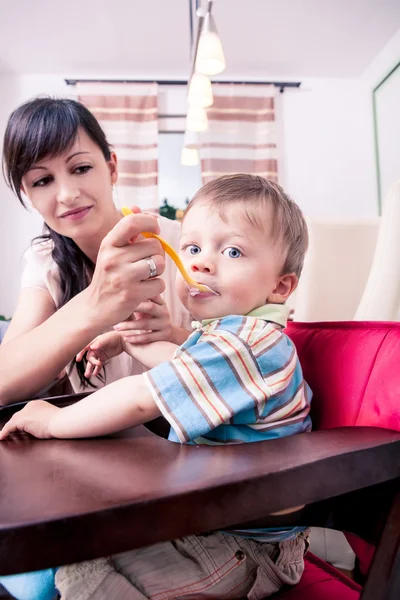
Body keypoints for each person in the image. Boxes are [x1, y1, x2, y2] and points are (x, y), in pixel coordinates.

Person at [1, 174, 312, 600]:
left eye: (233, 250)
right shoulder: (230, 336)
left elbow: (140, 397)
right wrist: (130, 340)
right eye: (193, 248)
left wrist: (52, 419)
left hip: (247, 546)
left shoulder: (249, 342)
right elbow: (181, 368)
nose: (201, 263)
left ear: (280, 286)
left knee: (80, 572)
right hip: (214, 521)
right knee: (83, 549)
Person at [0, 97, 192, 407]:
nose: (67, 194)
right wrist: (95, 304)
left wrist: (169, 333)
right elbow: (3, 382)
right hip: (102, 442)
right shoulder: (46, 264)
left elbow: (246, 349)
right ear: (28, 194)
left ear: (112, 168)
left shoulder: (180, 243)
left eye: (81, 168)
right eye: (43, 180)